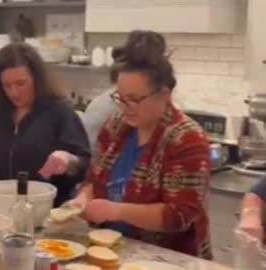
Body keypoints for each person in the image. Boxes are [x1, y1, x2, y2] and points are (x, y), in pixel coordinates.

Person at [69, 30, 212, 259]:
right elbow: (93, 181)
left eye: (135, 99)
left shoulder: (186, 138)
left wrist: (118, 211)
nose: (126, 107)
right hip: (112, 252)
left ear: (164, 94)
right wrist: (82, 200)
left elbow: (179, 216)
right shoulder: (115, 126)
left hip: (167, 259)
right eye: (120, 98)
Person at [0, 43, 91, 206]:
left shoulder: (59, 112)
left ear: (36, 80)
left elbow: (85, 165)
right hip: (1, 208)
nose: (13, 92)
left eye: (21, 84)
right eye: (6, 86)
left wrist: (69, 161)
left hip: (47, 210)